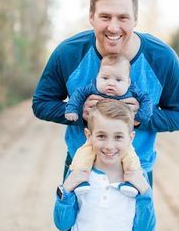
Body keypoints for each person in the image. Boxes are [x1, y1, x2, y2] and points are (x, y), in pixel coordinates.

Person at [32, 0, 179, 231]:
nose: (113, 26)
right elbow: (41, 102)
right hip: (82, 168)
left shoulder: (162, 59)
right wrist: (73, 111)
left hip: (135, 170)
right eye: (105, 16)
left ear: (135, 18)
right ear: (91, 16)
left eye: (122, 17)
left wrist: (143, 117)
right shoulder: (69, 53)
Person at [54, 99, 156, 231]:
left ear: (130, 138)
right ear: (88, 136)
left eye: (118, 137)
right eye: (101, 136)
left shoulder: (137, 182)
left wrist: (145, 193)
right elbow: (62, 223)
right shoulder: (80, 177)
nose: (109, 145)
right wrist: (66, 190)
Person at [65, 53, 153, 197]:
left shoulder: (132, 91)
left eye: (118, 80)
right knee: (83, 154)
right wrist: (72, 109)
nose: (111, 83)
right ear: (97, 77)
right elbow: (77, 95)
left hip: (120, 139)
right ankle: (80, 180)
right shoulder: (92, 88)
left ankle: (131, 182)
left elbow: (147, 100)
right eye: (105, 78)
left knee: (131, 158)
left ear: (128, 82)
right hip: (96, 138)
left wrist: (140, 117)